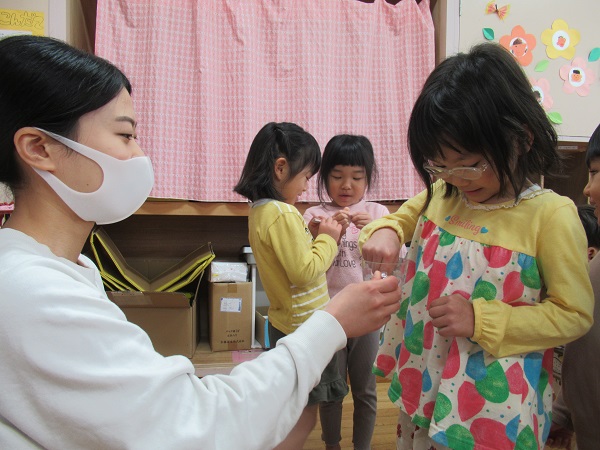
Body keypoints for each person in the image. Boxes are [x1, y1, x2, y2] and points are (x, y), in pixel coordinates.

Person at [0, 35, 403, 450]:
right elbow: (196, 424)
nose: (139, 155)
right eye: (125, 135)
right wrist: (332, 317)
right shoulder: (33, 293)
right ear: (39, 148)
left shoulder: (69, 270)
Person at [359, 42, 594, 450]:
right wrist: (387, 231)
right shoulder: (444, 193)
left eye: (469, 164)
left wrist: (480, 319)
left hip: (490, 406)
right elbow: (400, 219)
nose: (455, 177)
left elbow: (573, 315)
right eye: (439, 164)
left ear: (521, 138)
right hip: (426, 381)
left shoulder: (550, 216)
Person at [303, 134, 397, 450]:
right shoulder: (314, 215)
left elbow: (394, 261)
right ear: (323, 177)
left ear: (367, 178)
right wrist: (321, 233)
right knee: (331, 390)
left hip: (368, 314)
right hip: (329, 314)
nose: (347, 185)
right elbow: (305, 266)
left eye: (356, 177)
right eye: (337, 176)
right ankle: (332, 445)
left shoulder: (379, 213)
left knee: (365, 389)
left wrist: (374, 230)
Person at [547, 124, 600, 450]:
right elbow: (585, 352)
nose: (587, 189)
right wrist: (563, 413)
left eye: (595, 173)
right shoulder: (595, 266)